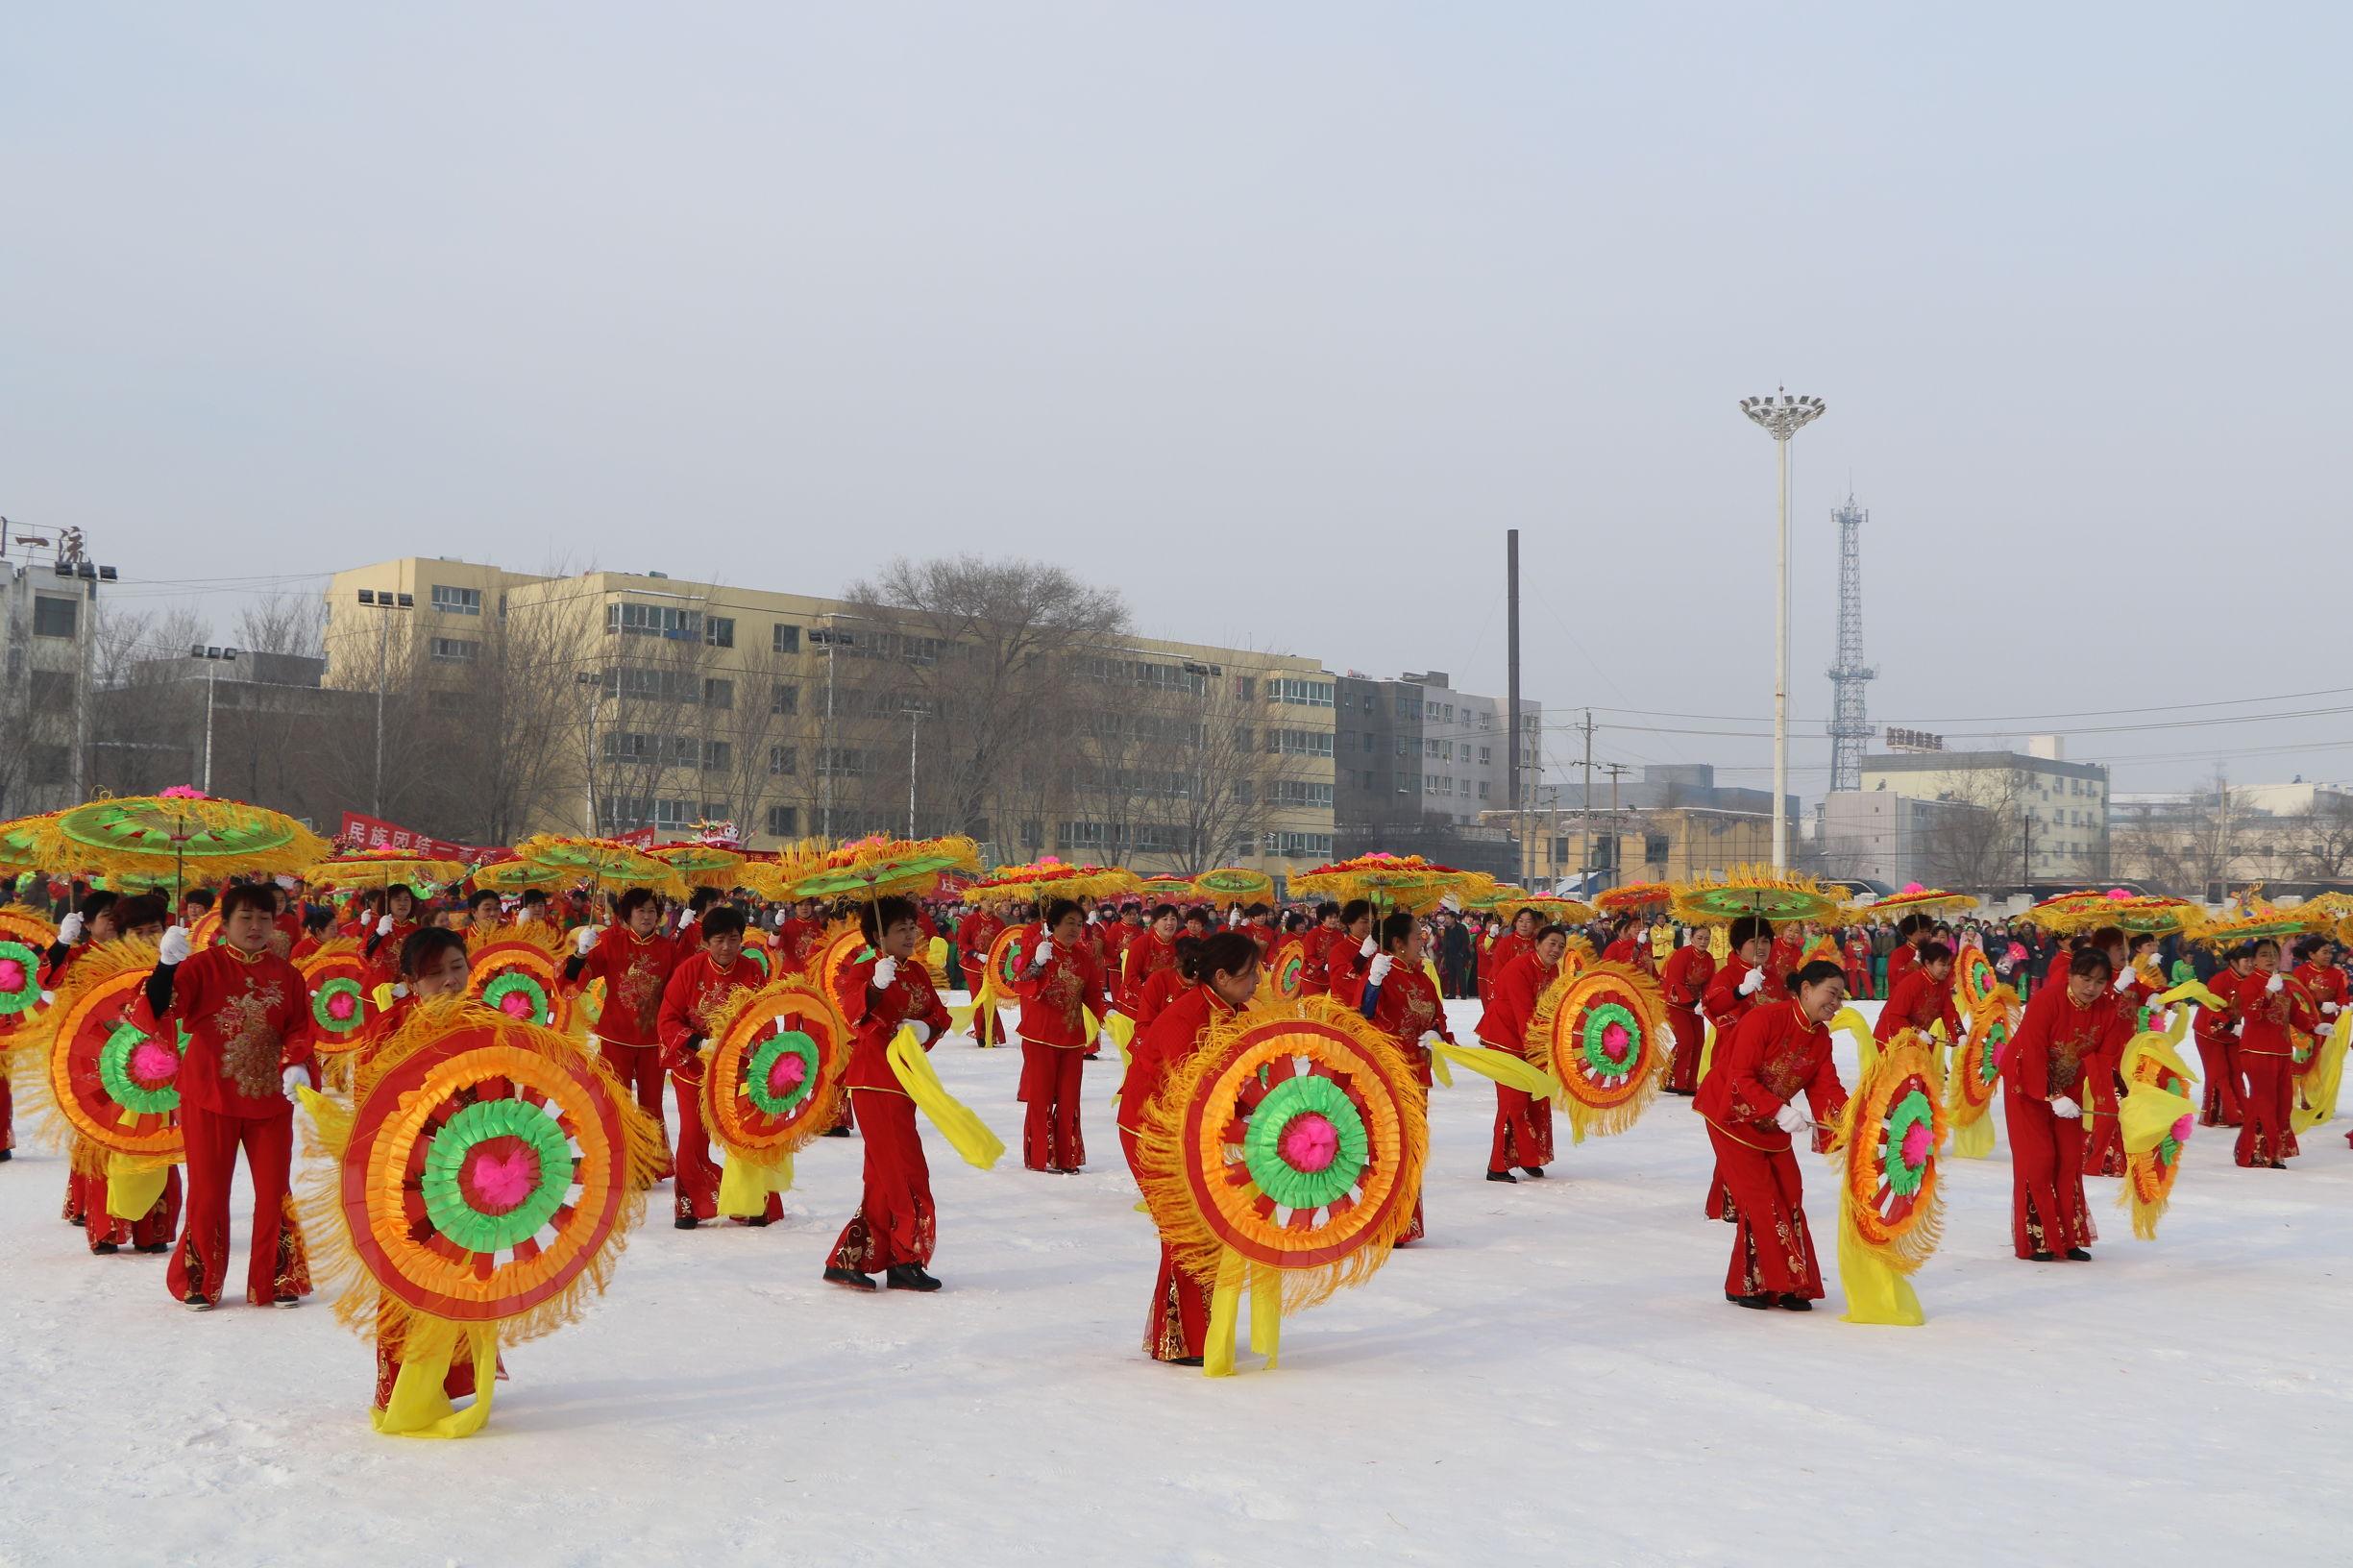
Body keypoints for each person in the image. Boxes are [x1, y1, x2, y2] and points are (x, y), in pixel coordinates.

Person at [144, 883, 318, 1309]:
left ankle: (277, 1277)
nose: (255, 926)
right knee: (208, 1190)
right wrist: (166, 966)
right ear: (224, 924)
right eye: (245, 918)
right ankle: (198, 1281)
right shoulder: (200, 967)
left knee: (274, 1187)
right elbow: (159, 1009)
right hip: (209, 1094)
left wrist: (296, 1061)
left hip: (269, 1097)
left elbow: (300, 1027)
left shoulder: (288, 974)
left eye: (264, 918)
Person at [1120, 930, 1260, 1366]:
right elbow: (1192, 1091)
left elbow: (1247, 1072)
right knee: (1188, 1228)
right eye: (1249, 974)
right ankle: (1183, 1338)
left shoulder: (1236, 1011)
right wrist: (1244, 1121)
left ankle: (1188, 1332)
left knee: (1207, 1225)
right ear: (1220, 975)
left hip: (1197, 1130)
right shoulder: (1186, 1017)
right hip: (1154, 1132)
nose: (1256, 981)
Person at [1692, 959, 1850, 1309]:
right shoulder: (1764, 1018)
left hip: (1769, 1120)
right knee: (1763, 1199)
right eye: (1831, 994)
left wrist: (1854, 1120)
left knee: (1790, 1191)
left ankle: (1751, 1283)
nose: (1836, 1004)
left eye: (1841, 998)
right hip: (1729, 1114)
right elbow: (1739, 1077)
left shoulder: (1820, 1038)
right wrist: (1779, 1110)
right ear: (1806, 990)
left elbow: (1827, 1089)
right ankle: (1785, 1283)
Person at [824, 895, 953, 1292]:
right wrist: (875, 987)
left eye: (912, 927)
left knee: (883, 1174)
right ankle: (906, 1256)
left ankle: (852, 1258)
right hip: (874, 1080)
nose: (911, 934)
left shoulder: (916, 971)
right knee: (905, 1170)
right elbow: (851, 1013)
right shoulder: (865, 970)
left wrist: (926, 1029)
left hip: (906, 1081)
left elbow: (939, 1015)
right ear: (878, 936)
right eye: (901, 929)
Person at [2002, 948, 2130, 1261]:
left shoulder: (2106, 1009)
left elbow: (2110, 1057)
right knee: (2040, 1158)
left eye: (2100, 981)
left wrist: (2125, 1097)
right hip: (2025, 1082)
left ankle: (2069, 1237)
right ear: (2071, 975)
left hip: (2068, 1089)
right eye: (2085, 979)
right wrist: (2052, 1095)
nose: (2091, 987)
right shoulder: (2048, 1000)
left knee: (2070, 1158)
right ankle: (2039, 1239)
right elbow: (2032, 1050)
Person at [655, 906, 777, 1229]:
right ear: (706, 941)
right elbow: (667, 1019)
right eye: (719, 940)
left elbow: (765, 1017)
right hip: (694, 1067)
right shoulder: (689, 971)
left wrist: (761, 1054)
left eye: (734, 939)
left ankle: (751, 1202)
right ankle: (690, 1205)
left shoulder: (752, 971)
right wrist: (697, 1043)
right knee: (694, 1136)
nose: (726, 947)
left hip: (740, 1070)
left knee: (746, 1136)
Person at [1336, 912, 1446, 1243]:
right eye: (1416, 937)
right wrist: (1371, 985)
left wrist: (1437, 1032)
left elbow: (1437, 1013)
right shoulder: (1381, 971)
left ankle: (1404, 1222)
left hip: (1418, 1076)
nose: (1421, 942)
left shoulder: (1422, 977)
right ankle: (1379, 1221)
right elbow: (1363, 1015)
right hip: (1387, 1076)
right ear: (1398, 943)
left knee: (1411, 1148)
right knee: (1386, 1148)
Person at [563, 888, 679, 1174]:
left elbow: (679, 991)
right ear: (626, 916)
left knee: (652, 1103)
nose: (647, 916)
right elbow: (573, 977)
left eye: (652, 910)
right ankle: (619, 1161)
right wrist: (581, 952)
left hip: (654, 1038)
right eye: (641, 911)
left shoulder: (668, 949)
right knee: (617, 1100)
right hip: (616, 1034)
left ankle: (651, 1164)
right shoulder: (611, 942)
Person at [1014, 898, 1109, 1174]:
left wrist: (1107, 1014)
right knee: (1041, 1096)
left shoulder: (1083, 957)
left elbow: (1092, 993)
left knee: (1069, 1098)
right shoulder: (1039, 950)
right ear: (1052, 924)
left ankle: (1066, 1157)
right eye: (1069, 923)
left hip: (1072, 1036)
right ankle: (1041, 1157)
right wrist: (1035, 964)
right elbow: (1020, 984)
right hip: (1040, 1035)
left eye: (1079, 924)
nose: (1075, 929)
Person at [1475, 922, 1567, 1181]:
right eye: (1551, 943)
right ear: (1537, 943)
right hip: (1505, 1038)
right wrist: (1542, 1044)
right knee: (1513, 1102)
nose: (1556, 949)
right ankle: (1498, 1165)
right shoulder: (1519, 968)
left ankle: (1529, 1157)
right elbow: (1523, 1012)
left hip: (1532, 1040)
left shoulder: (1552, 972)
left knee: (1537, 1097)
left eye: (1561, 945)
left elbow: (1550, 1009)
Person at [2223, 938, 2316, 1168]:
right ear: (2253, 960)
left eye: (2273, 953)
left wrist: (2314, 1027)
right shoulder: (2250, 984)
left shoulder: (2282, 983)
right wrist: (2266, 993)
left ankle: (2254, 1150)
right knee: (2265, 1100)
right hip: (2257, 1051)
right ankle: (2271, 1153)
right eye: (2264, 954)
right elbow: (2252, 1015)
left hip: (2282, 1051)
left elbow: (2293, 1012)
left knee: (2283, 1103)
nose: (2270, 958)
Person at [2193, 944, 2253, 1127]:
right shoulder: (2219, 980)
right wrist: (2229, 1025)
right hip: (2209, 1032)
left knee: (2237, 1070)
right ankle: (2220, 1115)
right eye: (2246, 961)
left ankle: (2242, 1112)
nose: (2250, 964)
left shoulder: (2253, 981)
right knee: (2219, 1073)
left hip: (2234, 1032)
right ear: (2233, 963)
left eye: (2252, 960)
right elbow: (2212, 1008)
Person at [1873, 940, 1961, 1050]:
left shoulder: (1942, 985)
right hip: (1892, 1039)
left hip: (1916, 1040)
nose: (1947, 969)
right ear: (1928, 964)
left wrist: (1959, 1034)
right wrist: (1917, 1032)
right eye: (1942, 965)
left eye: (1948, 965)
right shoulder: (1911, 983)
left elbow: (1949, 1012)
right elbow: (1894, 1016)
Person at [1659, 928, 1716, 1096]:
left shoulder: (1709, 960)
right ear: (1691, 938)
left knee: (1699, 1041)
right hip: (1676, 1003)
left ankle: (1689, 1084)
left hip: (1695, 1005)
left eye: (1706, 938)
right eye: (1699, 937)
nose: (1703, 941)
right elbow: (1674, 980)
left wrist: (1705, 1001)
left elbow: (1709, 984)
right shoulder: (1682, 955)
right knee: (1686, 1040)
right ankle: (1668, 1079)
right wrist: (1691, 1000)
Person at [1481, 907, 1540, 1007]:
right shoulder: (1506, 943)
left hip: (1532, 990)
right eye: (1521, 921)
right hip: (1508, 989)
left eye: (1528, 921)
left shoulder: (1539, 943)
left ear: (1534, 924)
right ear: (1515, 922)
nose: (1524, 925)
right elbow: (1498, 969)